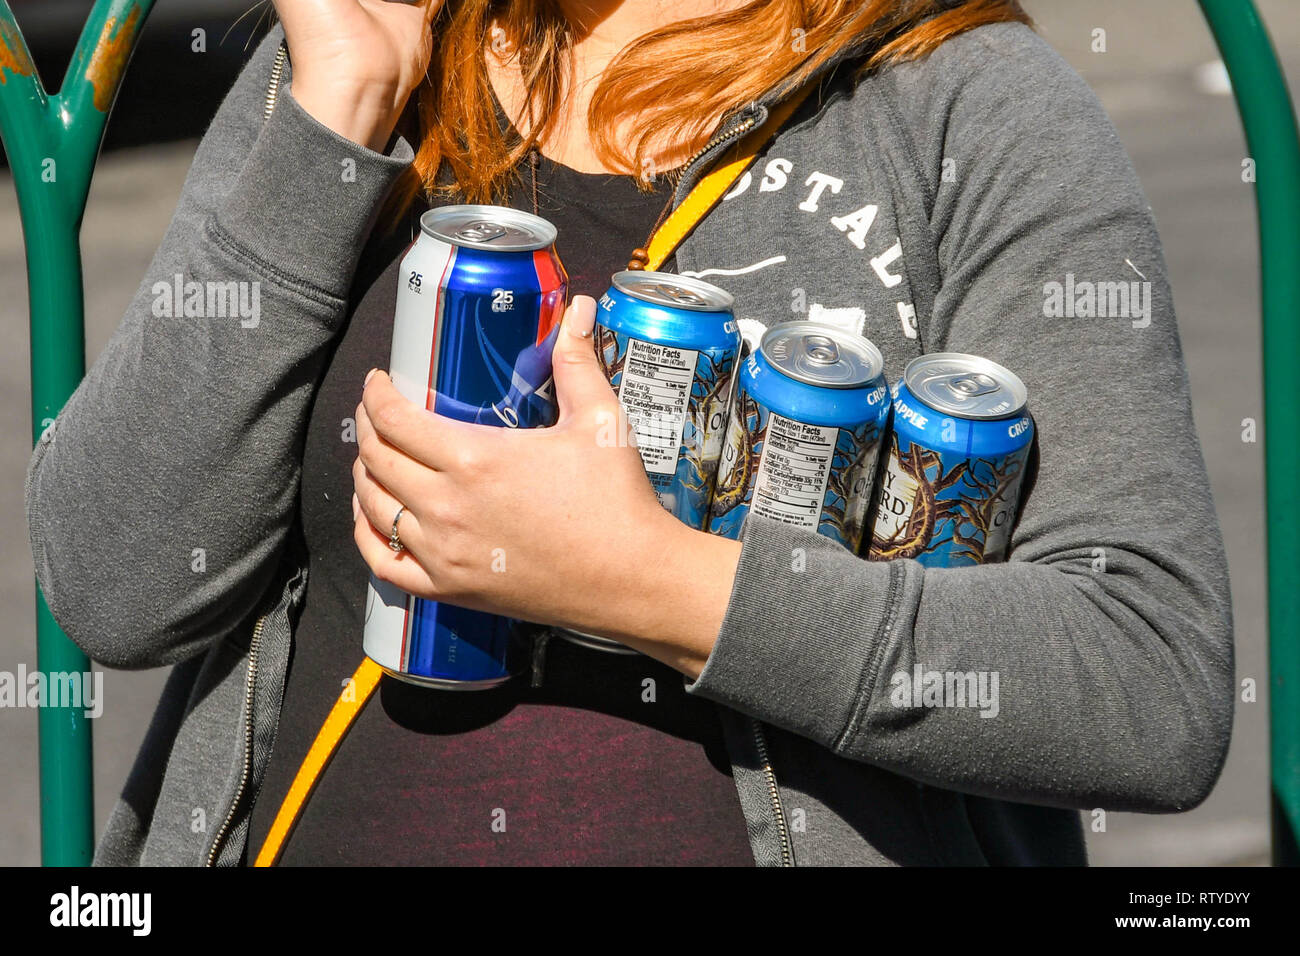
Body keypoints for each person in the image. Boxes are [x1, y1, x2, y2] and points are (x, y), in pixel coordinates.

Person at [25, 0, 1234, 866]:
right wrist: (337, 105)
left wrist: (653, 583)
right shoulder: (363, 50)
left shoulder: (971, 107)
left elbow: (1146, 677)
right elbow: (116, 585)